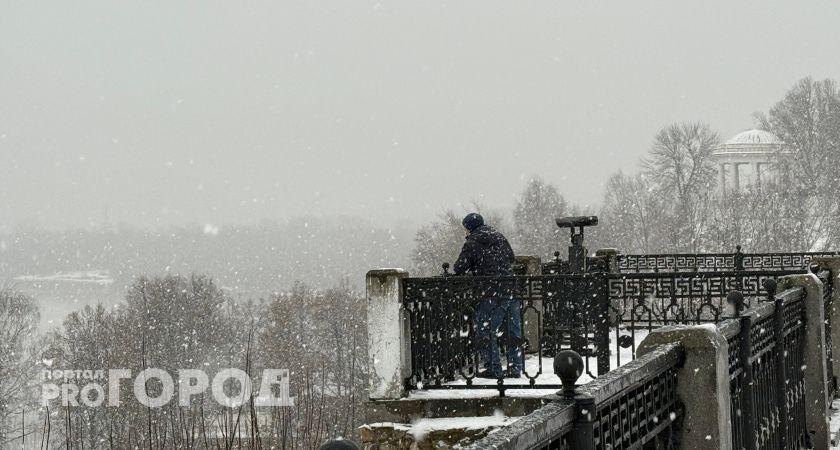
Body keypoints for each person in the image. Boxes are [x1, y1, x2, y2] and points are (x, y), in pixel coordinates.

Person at [453, 213, 523, 379]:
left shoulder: (472, 241)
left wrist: (477, 267)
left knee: (485, 330)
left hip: (491, 291)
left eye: (465, 228)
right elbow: (511, 258)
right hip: (510, 287)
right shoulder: (498, 236)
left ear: (469, 227)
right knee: (513, 330)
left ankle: (493, 367)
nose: (464, 232)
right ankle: (516, 367)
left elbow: (459, 267)